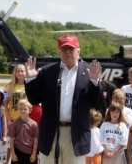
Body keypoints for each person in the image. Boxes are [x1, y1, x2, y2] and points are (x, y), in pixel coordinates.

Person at [25, 34, 104, 164]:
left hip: (76, 134)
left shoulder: (89, 73)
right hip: (51, 132)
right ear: (59, 52)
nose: (68, 52)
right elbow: (34, 100)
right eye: (64, 49)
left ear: (78, 50)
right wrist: (30, 80)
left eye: (71, 49)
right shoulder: (47, 72)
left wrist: (95, 82)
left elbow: (96, 102)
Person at [8, 99, 38, 164]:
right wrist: (13, 154)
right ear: (18, 110)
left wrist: (34, 154)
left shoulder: (34, 124)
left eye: (25, 109)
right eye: (20, 109)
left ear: (30, 110)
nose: (22, 111)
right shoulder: (14, 124)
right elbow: (11, 139)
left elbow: (35, 140)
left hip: (30, 154)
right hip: (18, 153)